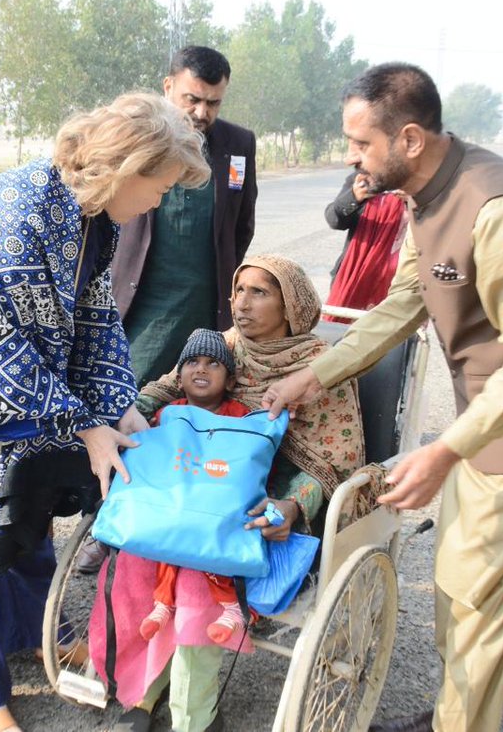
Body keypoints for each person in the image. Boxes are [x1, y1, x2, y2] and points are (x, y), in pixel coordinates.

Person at [263, 63, 503, 732]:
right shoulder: (423, 199)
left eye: (362, 143)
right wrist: (314, 373)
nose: (350, 157)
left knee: (479, 609)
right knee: (456, 589)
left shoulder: (500, 211)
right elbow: (403, 301)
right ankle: (458, 714)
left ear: (412, 139)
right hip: (488, 427)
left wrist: (443, 452)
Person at [0, 92, 210, 732]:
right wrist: (85, 423)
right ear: (125, 168)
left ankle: (35, 634)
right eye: (160, 187)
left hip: (25, 394)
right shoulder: (19, 211)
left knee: (23, 518)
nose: (160, 203)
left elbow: (92, 316)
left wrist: (119, 406)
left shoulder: (94, 216)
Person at [92, 254, 365, 732]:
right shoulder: (220, 349)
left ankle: (194, 715)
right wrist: (118, 421)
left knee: (198, 581)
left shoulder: (321, 367)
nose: (241, 304)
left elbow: (334, 459)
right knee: (136, 563)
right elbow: (160, 390)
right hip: (202, 483)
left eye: (259, 292)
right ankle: (148, 684)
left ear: (292, 305)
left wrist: (290, 505)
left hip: (267, 500)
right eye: (238, 290)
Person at [111, 46, 258, 389]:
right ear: (167, 86)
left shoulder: (238, 145)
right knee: (131, 391)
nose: (201, 112)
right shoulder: (134, 136)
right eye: (191, 99)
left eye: (213, 103)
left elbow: (242, 225)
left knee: (195, 398)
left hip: (205, 304)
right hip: (142, 300)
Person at [135, 329, 252, 645]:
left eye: (213, 363)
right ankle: (162, 604)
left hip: (218, 499)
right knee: (169, 541)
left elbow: (247, 458)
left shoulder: (239, 416)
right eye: (192, 362)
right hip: (177, 496)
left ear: (229, 381)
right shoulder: (168, 413)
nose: (201, 369)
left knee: (211, 548)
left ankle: (232, 608)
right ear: (180, 376)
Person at [321, 171, 409, 323]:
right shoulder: (364, 178)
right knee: (343, 336)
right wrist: (355, 197)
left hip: (400, 283)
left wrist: (416, 200)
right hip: (354, 279)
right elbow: (334, 220)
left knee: (392, 340)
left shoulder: (422, 183)